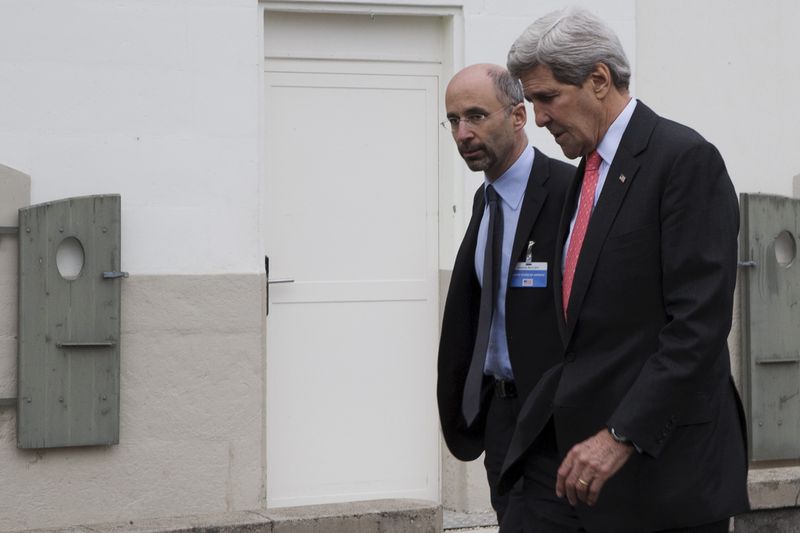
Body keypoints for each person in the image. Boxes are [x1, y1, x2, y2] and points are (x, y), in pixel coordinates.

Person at [494, 7, 750, 533]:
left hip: (661, 469)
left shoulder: (684, 161)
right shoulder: (583, 172)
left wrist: (621, 434)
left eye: (547, 97)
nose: (538, 118)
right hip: (572, 463)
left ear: (598, 79)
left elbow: (697, 327)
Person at [437, 63, 574, 532]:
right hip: (500, 417)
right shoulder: (485, 200)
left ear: (519, 116)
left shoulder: (568, 193)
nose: (463, 133)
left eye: (476, 116)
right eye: (453, 120)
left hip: (553, 423)